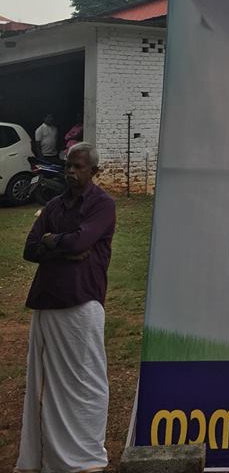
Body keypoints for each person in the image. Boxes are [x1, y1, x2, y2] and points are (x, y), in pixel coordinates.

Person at [15, 142, 116, 473]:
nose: (71, 172)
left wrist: (54, 241)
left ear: (94, 171)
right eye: (68, 166)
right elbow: (30, 249)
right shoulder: (54, 206)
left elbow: (82, 241)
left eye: (79, 167)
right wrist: (62, 245)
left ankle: (85, 458)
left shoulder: (103, 205)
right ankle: (52, 459)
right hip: (48, 300)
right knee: (47, 385)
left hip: (82, 301)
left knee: (86, 381)